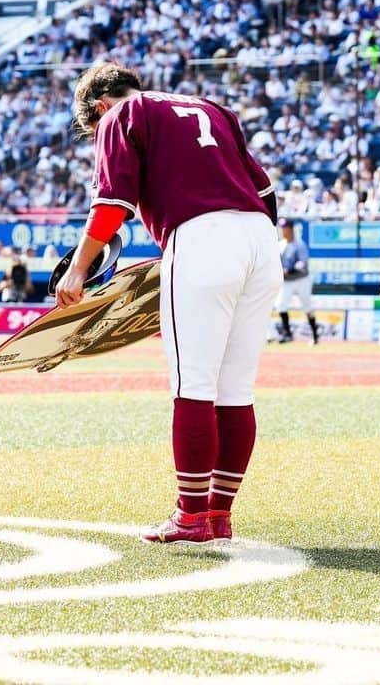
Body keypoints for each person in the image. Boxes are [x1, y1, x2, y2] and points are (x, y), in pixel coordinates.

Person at [55, 62, 281, 545]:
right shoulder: (211, 108)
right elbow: (265, 190)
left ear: (99, 107)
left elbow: (112, 202)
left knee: (193, 385)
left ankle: (191, 516)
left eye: (93, 130)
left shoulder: (122, 115)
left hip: (200, 236)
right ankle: (218, 515)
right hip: (261, 240)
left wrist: (79, 268)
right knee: (235, 389)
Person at [275, 218, 318, 344]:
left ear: (291, 229)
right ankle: (288, 335)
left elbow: (302, 263)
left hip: (301, 279)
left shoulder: (299, 244)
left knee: (307, 306)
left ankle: (315, 336)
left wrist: (289, 270)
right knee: (280, 305)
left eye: (285, 228)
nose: (283, 231)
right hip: (287, 281)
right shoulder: (281, 244)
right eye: (282, 228)